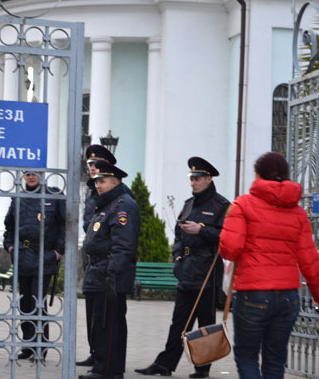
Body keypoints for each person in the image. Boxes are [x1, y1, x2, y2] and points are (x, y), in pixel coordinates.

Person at [219, 152, 319, 378]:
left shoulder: (243, 204)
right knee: (275, 360)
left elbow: (230, 250)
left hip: (252, 295)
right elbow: (310, 259)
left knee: (247, 356)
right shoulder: (299, 214)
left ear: (258, 175)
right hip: (287, 297)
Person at [135, 156, 229, 378]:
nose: (193, 182)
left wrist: (202, 230)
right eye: (191, 179)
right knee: (179, 322)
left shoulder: (221, 205)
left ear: (208, 178)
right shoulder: (188, 204)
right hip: (186, 269)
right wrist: (177, 257)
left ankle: (202, 368)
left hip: (207, 271)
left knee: (205, 322)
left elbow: (226, 236)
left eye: (197, 178)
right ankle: (165, 364)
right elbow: (178, 234)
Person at [79, 160, 140, 379]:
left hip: (109, 273)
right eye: (96, 182)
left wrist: (112, 274)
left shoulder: (122, 205)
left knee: (108, 324)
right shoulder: (106, 204)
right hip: (99, 271)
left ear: (115, 182)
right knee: (103, 323)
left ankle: (106, 370)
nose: (98, 185)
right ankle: (108, 368)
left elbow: (123, 244)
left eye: (103, 181)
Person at [3, 171, 65, 360]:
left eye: (35, 173)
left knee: (38, 302)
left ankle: (41, 345)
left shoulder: (54, 197)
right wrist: (10, 247)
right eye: (27, 174)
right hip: (22, 255)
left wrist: (57, 251)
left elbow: (65, 226)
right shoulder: (18, 197)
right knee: (25, 303)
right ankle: (28, 344)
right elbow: (9, 227)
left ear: (42, 174)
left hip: (44, 256)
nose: (31, 177)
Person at [77, 144, 117, 368]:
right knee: (91, 311)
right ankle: (94, 351)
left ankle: (103, 357)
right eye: (90, 165)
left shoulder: (112, 193)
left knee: (103, 315)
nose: (92, 168)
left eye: (96, 164)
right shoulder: (92, 191)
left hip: (104, 261)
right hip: (91, 259)